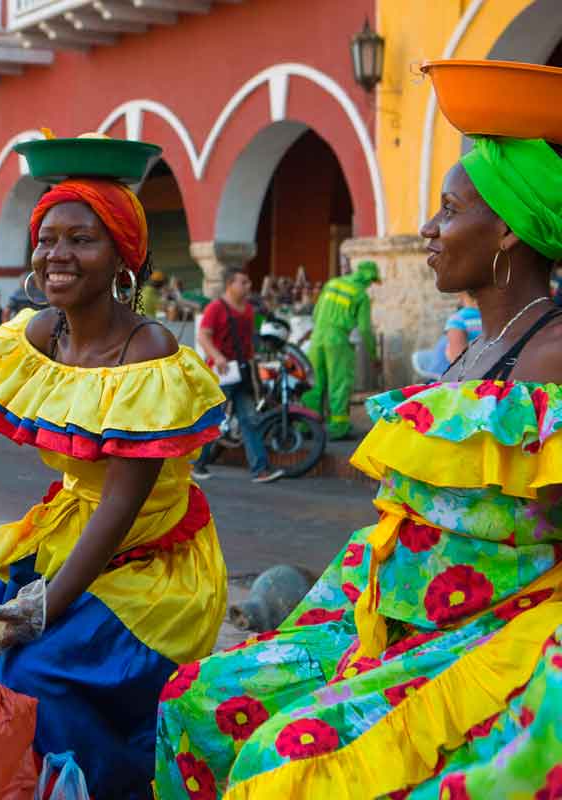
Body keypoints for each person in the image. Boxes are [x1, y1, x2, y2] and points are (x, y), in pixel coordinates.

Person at [156, 78, 562, 798]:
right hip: (377, 610)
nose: (428, 230)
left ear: (507, 229)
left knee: (278, 763)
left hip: (487, 634)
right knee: (194, 701)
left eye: (448, 210)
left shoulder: (553, 354)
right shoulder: (470, 349)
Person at [0, 171, 230, 798]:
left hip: (151, 565)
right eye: (46, 239)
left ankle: (104, 783)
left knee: (34, 670)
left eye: (82, 240)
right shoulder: (42, 334)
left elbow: (120, 508)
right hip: (64, 529)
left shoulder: (147, 353)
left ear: (123, 256)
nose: (57, 255)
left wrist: (40, 607)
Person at [191, 268, 286, 483]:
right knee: (211, 419)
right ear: (230, 284)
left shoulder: (249, 310)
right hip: (222, 373)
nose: (248, 286)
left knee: (249, 420)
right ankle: (196, 463)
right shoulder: (216, 308)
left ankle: (260, 469)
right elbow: (204, 336)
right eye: (243, 282)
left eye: (248, 282)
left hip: (243, 372)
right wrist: (218, 357)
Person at [301, 260, 382, 439]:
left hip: (317, 338)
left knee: (313, 383)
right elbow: (365, 330)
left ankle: (305, 424)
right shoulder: (361, 295)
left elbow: (315, 313)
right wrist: (373, 355)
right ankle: (338, 427)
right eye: (371, 281)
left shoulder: (332, 283)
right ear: (368, 278)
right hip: (337, 340)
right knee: (339, 384)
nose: (370, 285)